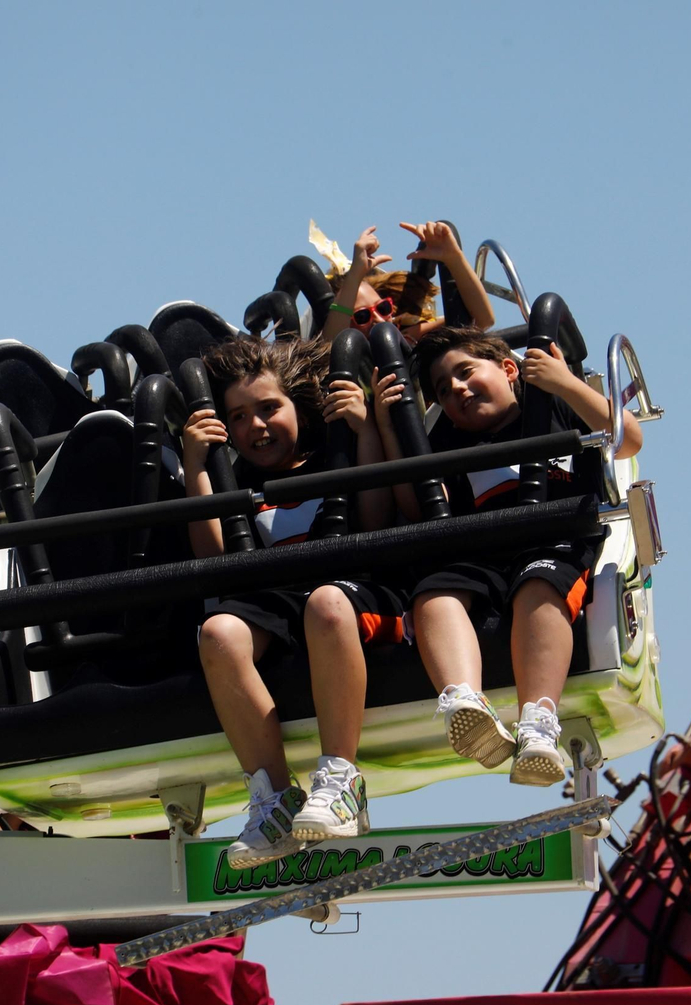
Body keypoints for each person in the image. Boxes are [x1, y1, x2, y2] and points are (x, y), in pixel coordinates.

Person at [374, 325, 643, 785]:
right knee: (434, 595)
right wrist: (389, 427)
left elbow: (628, 439)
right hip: (481, 553)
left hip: (551, 545)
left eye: (465, 373)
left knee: (538, 587)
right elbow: (416, 505)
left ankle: (537, 724)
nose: (456, 389)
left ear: (509, 368)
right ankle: (464, 702)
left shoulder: (555, 407)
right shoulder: (451, 443)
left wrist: (562, 380)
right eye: (443, 388)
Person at [181, 336, 402, 869]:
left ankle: (341, 781)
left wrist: (365, 429)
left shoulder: (336, 454)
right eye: (238, 416)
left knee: (325, 603)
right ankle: (276, 802)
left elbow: (374, 521)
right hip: (279, 599)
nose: (255, 426)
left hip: (353, 593)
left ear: (298, 404)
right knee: (218, 632)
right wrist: (195, 468)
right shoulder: (241, 485)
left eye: (268, 408)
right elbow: (216, 559)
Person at [318, 221, 496, 341]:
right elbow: (330, 347)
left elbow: (482, 320)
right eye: (362, 316)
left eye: (383, 308)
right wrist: (355, 274)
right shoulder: (349, 367)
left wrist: (453, 257)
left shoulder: (408, 338)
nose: (379, 320)